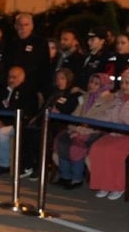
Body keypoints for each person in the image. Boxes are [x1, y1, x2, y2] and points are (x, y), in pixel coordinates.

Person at [52, 72, 113, 189]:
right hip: (78, 129)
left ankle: (77, 179)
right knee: (62, 140)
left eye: (96, 84)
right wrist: (75, 128)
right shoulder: (84, 97)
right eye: (91, 82)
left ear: (103, 86)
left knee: (77, 145)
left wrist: (81, 131)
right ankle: (65, 176)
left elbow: (102, 120)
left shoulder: (108, 100)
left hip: (95, 132)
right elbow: (74, 115)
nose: (92, 85)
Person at [0, 66, 37, 175]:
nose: (11, 80)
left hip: (18, 124)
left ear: (21, 78)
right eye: (9, 77)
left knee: (3, 132)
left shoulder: (27, 92)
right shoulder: (4, 90)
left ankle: (4, 164)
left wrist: (5, 123)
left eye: (14, 77)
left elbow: (26, 112)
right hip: (2, 122)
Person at [87, 68, 129, 200]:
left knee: (113, 151)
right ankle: (104, 184)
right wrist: (92, 118)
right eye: (122, 83)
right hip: (115, 133)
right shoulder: (117, 98)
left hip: (126, 137)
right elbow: (108, 115)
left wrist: (125, 105)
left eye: (127, 83)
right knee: (97, 148)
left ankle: (118, 186)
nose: (123, 86)